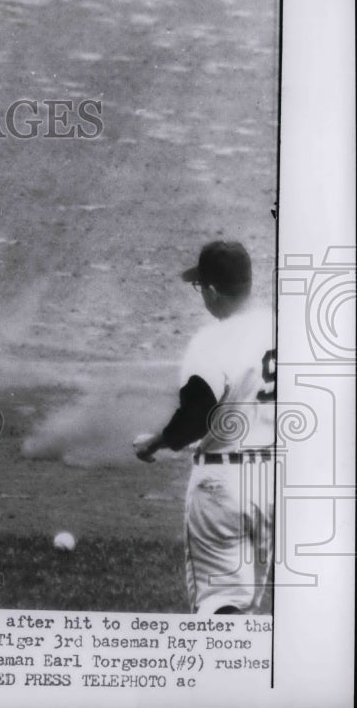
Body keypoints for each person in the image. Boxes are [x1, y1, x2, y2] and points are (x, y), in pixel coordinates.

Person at [134, 241, 275, 614]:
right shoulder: (280, 328)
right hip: (274, 484)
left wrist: (156, 442)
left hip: (223, 490)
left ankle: (220, 673)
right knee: (246, 607)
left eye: (201, 288)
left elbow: (197, 417)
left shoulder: (211, 343)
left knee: (222, 608)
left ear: (212, 291)